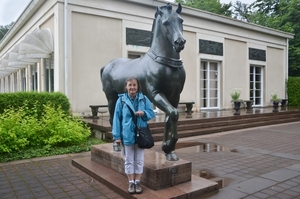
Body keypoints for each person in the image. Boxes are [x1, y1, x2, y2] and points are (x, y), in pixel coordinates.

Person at [112, 77, 155, 194]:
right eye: (130, 85)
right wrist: (117, 136)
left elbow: (151, 114)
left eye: (134, 85)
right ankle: (131, 183)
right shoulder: (121, 101)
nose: (132, 87)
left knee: (139, 160)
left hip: (140, 134)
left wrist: (144, 113)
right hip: (127, 135)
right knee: (129, 160)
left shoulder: (144, 99)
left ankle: (137, 182)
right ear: (126, 87)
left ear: (138, 86)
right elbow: (117, 119)